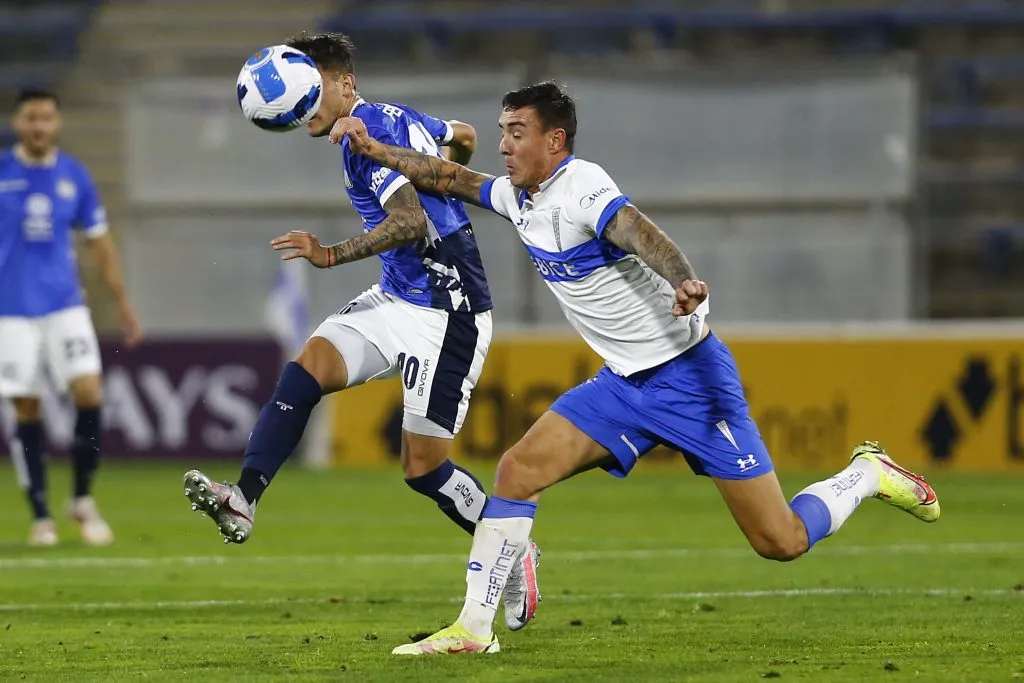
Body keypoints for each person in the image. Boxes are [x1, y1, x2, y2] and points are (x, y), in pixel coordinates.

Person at [329, 80, 941, 656]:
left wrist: (684, 280)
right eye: (501, 130)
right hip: (622, 385)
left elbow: (635, 229)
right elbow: (449, 176)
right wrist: (375, 148)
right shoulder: (520, 197)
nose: (504, 143)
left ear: (555, 141)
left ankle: (866, 475)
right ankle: (474, 628)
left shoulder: (581, 186)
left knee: (779, 541)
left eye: (517, 132)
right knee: (517, 471)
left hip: (691, 380)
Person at [182, 32, 541, 632]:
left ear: (346, 83)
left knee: (423, 468)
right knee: (307, 369)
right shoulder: (397, 117)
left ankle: (513, 555)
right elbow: (466, 136)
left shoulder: (364, 140)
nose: (308, 108)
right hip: (397, 296)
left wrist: (330, 254)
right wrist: (446, 160)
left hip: (449, 313)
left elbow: (409, 220)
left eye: (314, 91)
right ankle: (243, 500)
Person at [0, 89, 143, 547]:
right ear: (17, 122)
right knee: (26, 406)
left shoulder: (74, 176)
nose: (39, 126)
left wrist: (122, 302)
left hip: (65, 303)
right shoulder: (2, 172)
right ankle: (41, 513)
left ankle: (81, 499)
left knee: (88, 389)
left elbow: (99, 243)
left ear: (57, 122)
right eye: (30, 118)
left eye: (46, 118)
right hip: (11, 310)